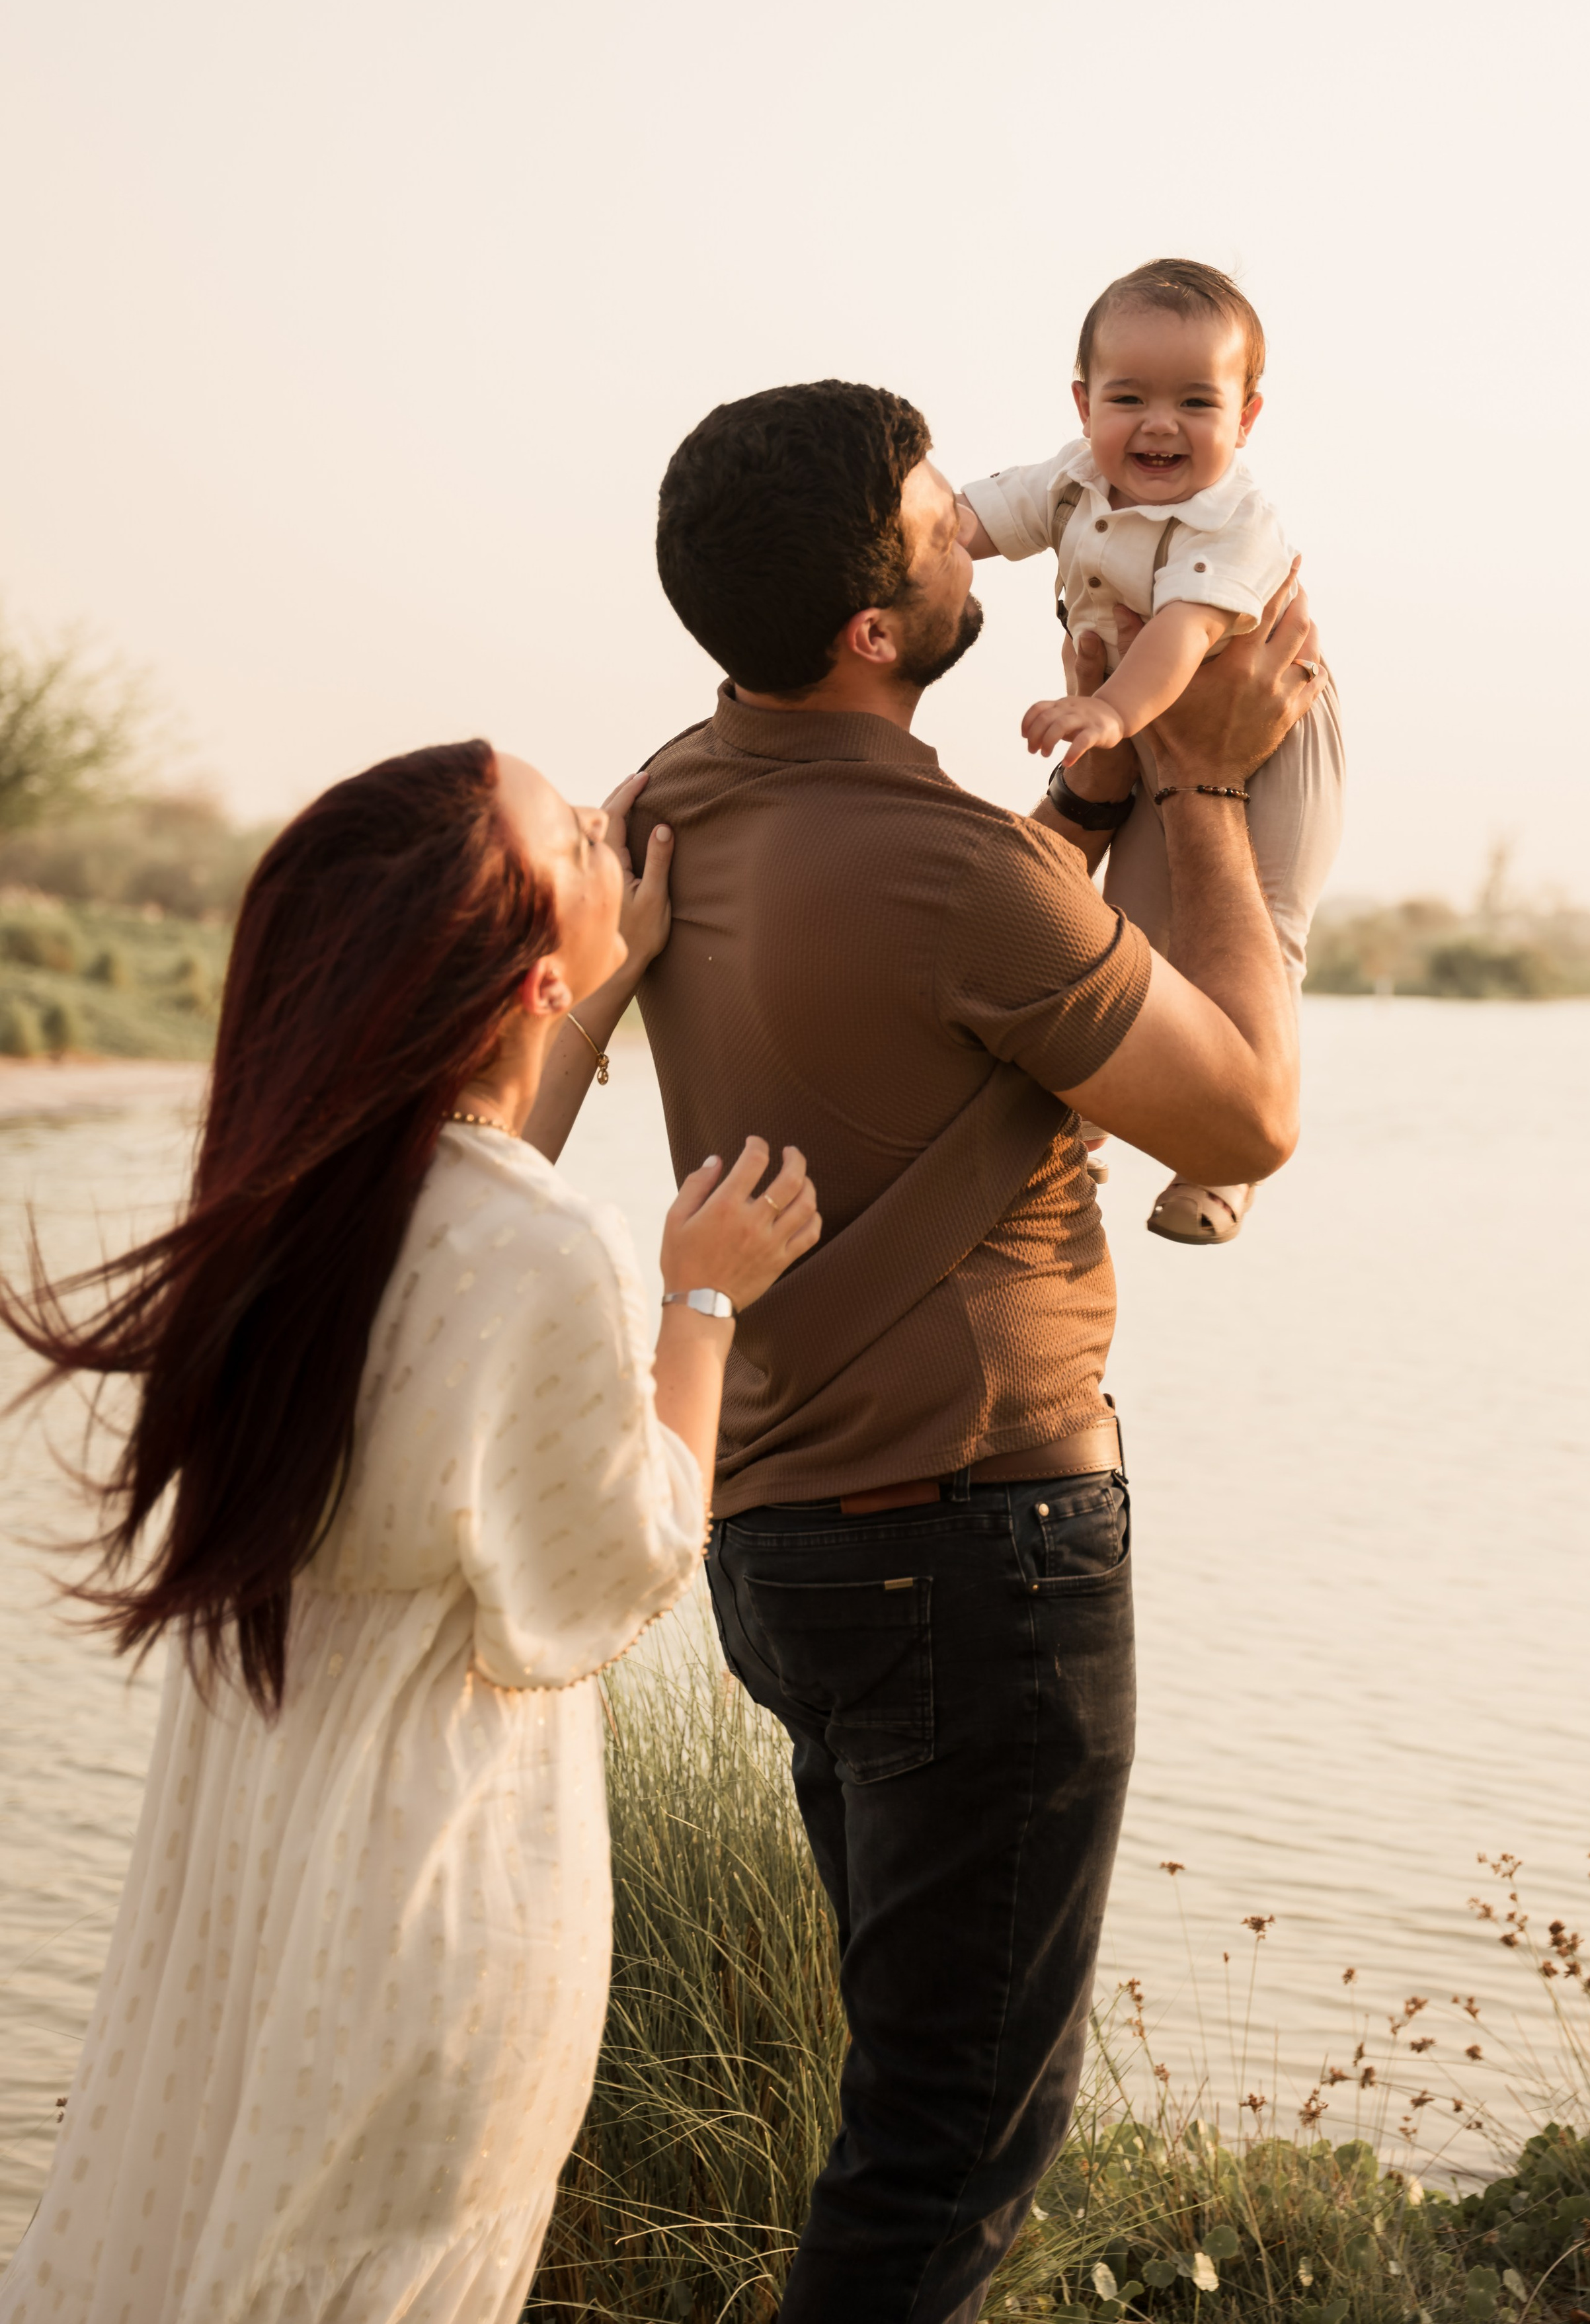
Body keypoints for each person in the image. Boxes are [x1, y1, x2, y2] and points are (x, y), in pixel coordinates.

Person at [603, 378, 1326, 2324]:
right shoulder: (954, 868)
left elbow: (939, 961)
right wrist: (1191, 787)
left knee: (903, 2092)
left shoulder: (673, 791)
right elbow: (1246, 1117)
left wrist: (1084, 800)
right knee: (951, 2139)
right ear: (871, 627)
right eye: (940, 515)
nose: (979, 526)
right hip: (979, 1544)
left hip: (785, 1541)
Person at [0, 740, 818, 2324]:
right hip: (434, 1884)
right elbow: (623, 1560)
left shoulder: (278, 1209)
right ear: (523, 983)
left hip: (245, 1855)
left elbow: (470, 1199)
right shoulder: (532, 1251)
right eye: (583, 840)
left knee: (185, 2240)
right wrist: (704, 1299)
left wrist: (598, 965)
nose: (609, 831)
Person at [959, 258, 1347, 1244]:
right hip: (1134, 726)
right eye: (1129, 397)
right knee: (1127, 928)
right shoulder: (1073, 477)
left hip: (1269, 729)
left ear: (1247, 419)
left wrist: (1110, 716)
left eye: (1196, 401)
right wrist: (913, 547)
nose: (1160, 424)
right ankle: (1091, 1107)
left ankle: (1226, 1163)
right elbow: (978, 517)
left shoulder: (1234, 521)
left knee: (1265, 918)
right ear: (1084, 404)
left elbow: (1178, 640)